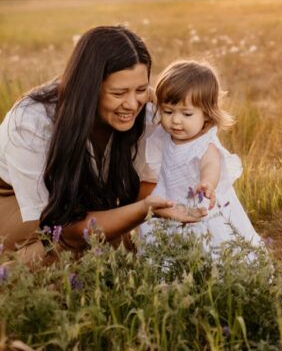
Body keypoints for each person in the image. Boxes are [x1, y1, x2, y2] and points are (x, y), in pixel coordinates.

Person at [0, 26, 205, 263]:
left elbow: (150, 184)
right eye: (118, 93)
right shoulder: (33, 121)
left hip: (79, 205)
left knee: (127, 245)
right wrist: (140, 211)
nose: (132, 104)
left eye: (140, 89)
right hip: (16, 199)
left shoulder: (147, 112)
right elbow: (62, 227)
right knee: (67, 251)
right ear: (89, 89)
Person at [139, 60, 264, 253]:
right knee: (167, 247)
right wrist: (149, 93)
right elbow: (155, 102)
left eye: (187, 114)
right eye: (168, 112)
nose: (175, 120)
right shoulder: (166, 131)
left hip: (198, 206)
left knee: (210, 247)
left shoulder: (205, 144)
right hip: (169, 206)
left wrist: (208, 184)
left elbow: (210, 165)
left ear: (206, 114)